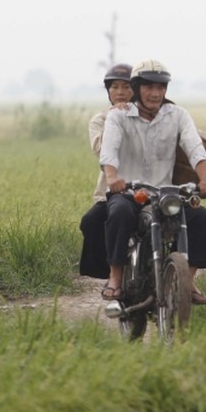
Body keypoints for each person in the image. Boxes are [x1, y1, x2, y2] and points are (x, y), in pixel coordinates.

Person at [99, 59, 206, 305]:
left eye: (161, 88)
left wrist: (205, 179)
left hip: (164, 193)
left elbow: (195, 148)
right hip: (129, 193)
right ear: (138, 88)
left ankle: (188, 280)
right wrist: (112, 178)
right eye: (149, 87)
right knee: (118, 213)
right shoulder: (118, 117)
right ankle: (116, 278)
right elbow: (109, 151)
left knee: (201, 218)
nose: (156, 93)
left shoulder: (178, 115)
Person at [78, 63, 133, 278]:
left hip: (149, 186)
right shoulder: (100, 120)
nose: (120, 92)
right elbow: (102, 152)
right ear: (108, 91)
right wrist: (114, 119)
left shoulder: (147, 115)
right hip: (112, 191)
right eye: (115, 87)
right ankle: (110, 276)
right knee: (91, 222)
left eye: (127, 87)